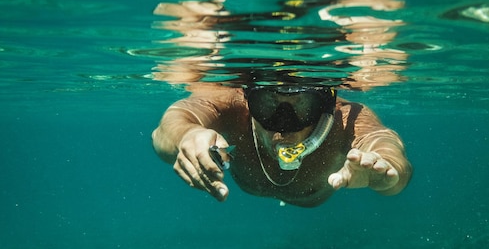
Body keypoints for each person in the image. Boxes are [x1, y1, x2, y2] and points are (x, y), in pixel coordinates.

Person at [152, 84, 412, 207]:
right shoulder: (231, 104)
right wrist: (186, 136)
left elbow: (384, 144)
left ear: (324, 108)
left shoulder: (346, 118)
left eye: (303, 108)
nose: (283, 125)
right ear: (249, 100)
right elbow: (169, 127)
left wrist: (386, 175)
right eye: (267, 105)